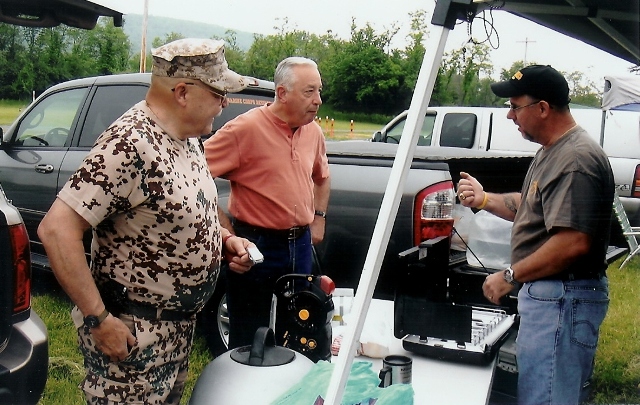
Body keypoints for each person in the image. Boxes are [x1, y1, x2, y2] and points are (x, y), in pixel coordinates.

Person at [37, 38, 256, 405]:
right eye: (219, 92)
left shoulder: (188, 140)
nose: (225, 102)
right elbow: (57, 230)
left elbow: (179, 213)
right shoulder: (129, 143)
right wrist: (99, 320)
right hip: (133, 339)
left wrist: (221, 239)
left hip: (176, 333)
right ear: (183, 92)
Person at [457, 65, 614, 405]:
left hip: (563, 299)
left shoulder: (575, 159)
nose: (510, 115)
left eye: (515, 105)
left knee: (546, 398)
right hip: (555, 298)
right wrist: (485, 200)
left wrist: (511, 276)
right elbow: (530, 209)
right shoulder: (552, 151)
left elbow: (573, 241)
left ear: (543, 108)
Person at [203, 56, 331, 349]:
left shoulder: (313, 131)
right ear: (282, 93)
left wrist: (319, 218)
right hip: (256, 245)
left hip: (300, 246)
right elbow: (191, 176)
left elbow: (323, 176)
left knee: (299, 332)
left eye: (319, 91)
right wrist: (228, 236)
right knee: (250, 339)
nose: (318, 100)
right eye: (309, 92)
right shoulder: (243, 130)